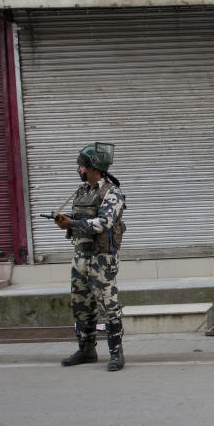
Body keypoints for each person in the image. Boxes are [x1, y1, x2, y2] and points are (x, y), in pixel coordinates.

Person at [56, 143, 128, 371]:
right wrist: (66, 222)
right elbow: (81, 221)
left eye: (82, 165)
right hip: (80, 258)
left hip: (101, 260)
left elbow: (103, 223)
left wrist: (73, 222)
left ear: (93, 167)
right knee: (81, 306)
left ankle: (116, 354)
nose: (79, 169)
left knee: (109, 306)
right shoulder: (82, 192)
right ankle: (86, 350)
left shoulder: (112, 192)